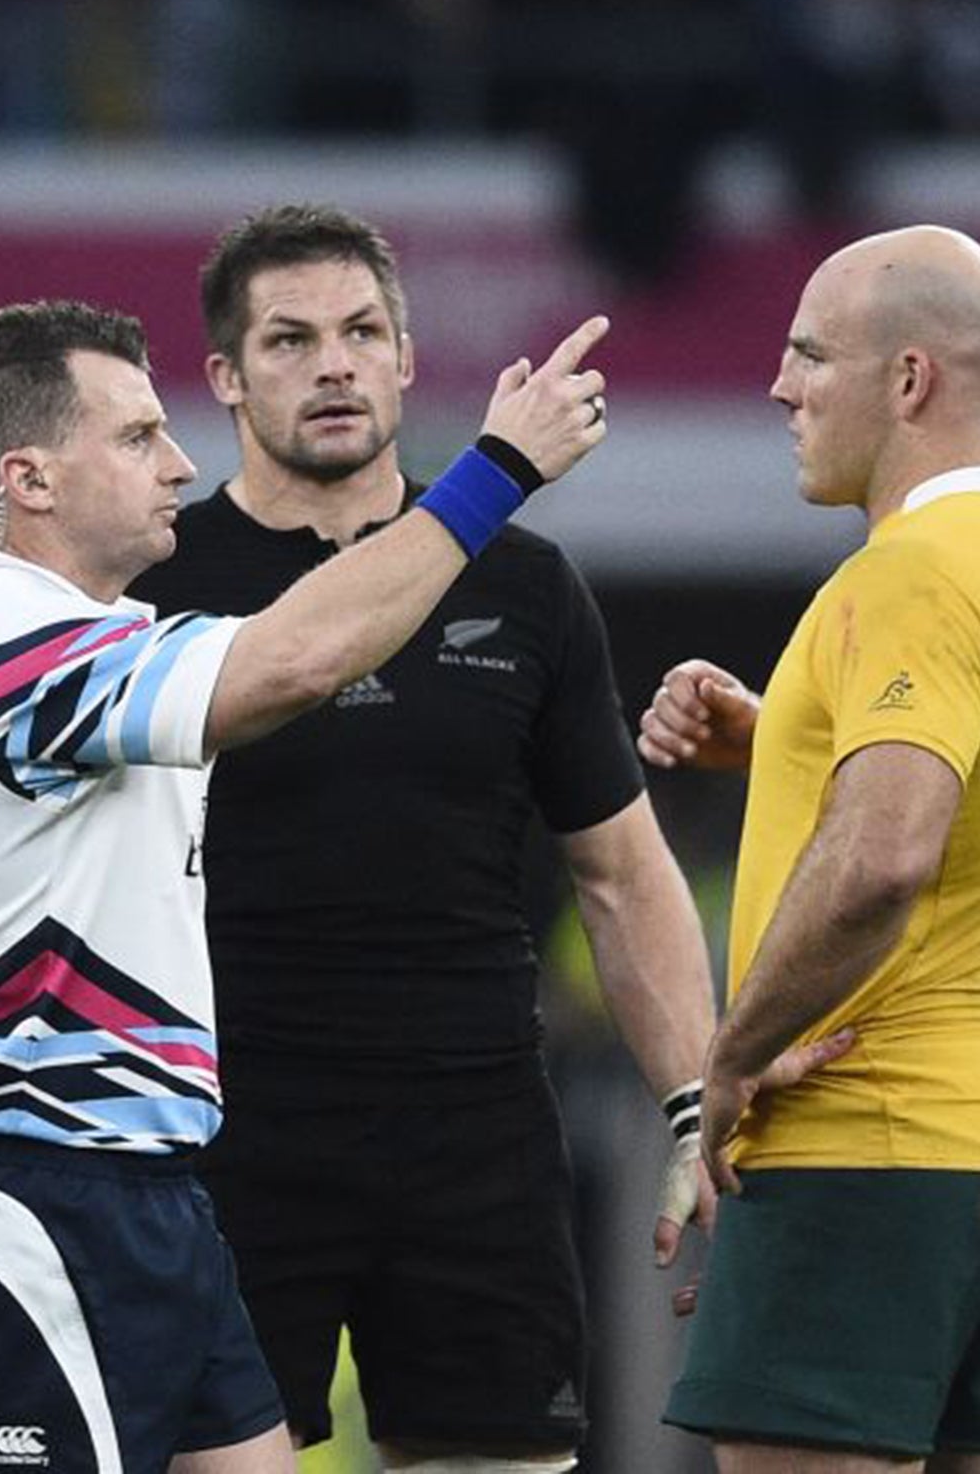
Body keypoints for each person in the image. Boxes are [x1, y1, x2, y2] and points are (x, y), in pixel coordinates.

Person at [0, 295, 609, 1473]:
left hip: (152, 1188)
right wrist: (495, 472)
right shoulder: (8, 656)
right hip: (31, 1193)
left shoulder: (80, 640)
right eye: (139, 435)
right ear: (31, 479)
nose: (181, 461)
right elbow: (295, 658)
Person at [129, 202, 724, 1472]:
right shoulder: (156, 586)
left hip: (475, 1137)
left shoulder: (528, 588)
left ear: (406, 358)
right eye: (288, 342)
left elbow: (622, 875)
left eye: (360, 333)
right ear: (225, 379)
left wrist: (692, 1104)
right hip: (227, 1139)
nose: (333, 364)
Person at [636, 225, 980, 1471]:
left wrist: (732, 1059)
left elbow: (883, 859)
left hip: (868, 1142)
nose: (779, 385)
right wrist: (792, 742)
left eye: (810, 354)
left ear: (907, 382)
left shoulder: (914, 569)